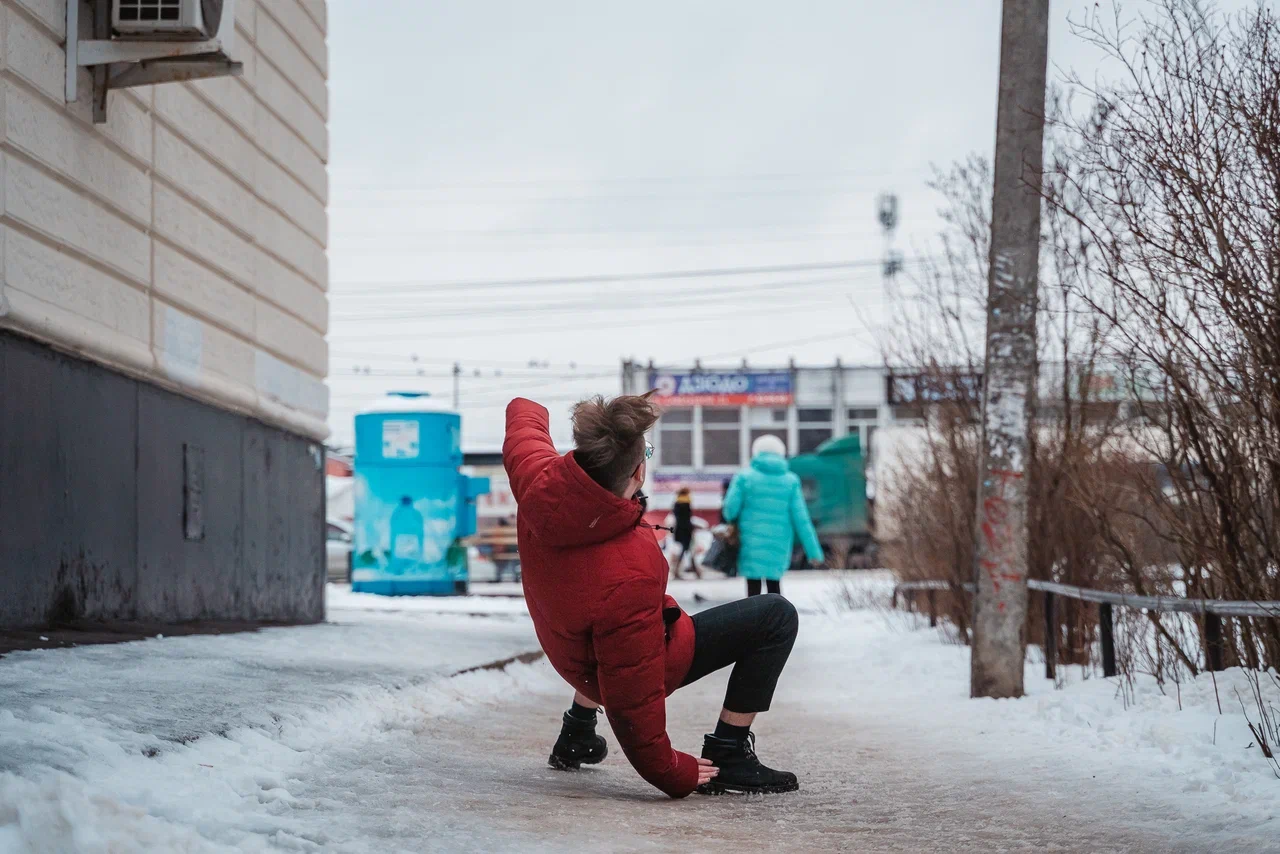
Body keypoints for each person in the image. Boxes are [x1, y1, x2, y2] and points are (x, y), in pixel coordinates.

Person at [504, 395, 800, 798]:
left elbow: (522, 432)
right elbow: (632, 694)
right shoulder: (628, 570)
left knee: (604, 622)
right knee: (776, 615)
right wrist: (671, 770)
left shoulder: (539, 485)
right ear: (638, 472)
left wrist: (531, 406)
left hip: (573, 652)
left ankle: (577, 731)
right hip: (624, 661)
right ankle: (729, 753)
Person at [722, 434, 824, 598]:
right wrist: (814, 552)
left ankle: (754, 614)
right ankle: (776, 614)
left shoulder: (744, 477)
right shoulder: (790, 481)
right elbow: (802, 520)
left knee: (753, 590)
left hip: (750, 542)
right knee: (774, 587)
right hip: (778, 545)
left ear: (756, 452)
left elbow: (729, 511)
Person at [668, 487, 699, 580]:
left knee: (686, 550)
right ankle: (694, 571)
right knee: (687, 549)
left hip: (679, 530)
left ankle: (694, 571)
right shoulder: (686, 503)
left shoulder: (676, 503)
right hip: (686, 530)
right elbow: (687, 519)